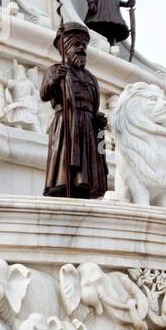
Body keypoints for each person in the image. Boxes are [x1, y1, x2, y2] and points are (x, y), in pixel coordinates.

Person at [40, 22, 108, 198]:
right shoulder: (55, 70)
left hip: (88, 124)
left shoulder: (91, 77)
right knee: (65, 157)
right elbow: (44, 95)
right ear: (65, 48)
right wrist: (55, 79)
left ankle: (83, 186)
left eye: (84, 45)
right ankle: (61, 184)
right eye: (76, 45)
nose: (81, 49)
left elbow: (95, 105)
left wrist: (99, 118)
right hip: (67, 122)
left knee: (86, 164)